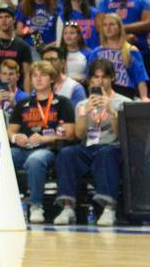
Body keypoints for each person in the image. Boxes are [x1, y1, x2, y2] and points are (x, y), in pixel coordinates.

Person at [53, 58, 128, 226]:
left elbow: (122, 136)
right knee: (67, 153)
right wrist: (84, 114)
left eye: (104, 77)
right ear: (90, 80)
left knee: (105, 153)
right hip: (88, 147)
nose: (100, 81)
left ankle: (109, 209)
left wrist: (111, 110)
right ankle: (68, 207)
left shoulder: (123, 102)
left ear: (112, 78)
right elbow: (79, 135)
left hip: (112, 148)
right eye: (96, 77)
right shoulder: (82, 104)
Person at [9, 59, 74, 224]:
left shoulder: (63, 103)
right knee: (1, 156)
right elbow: (10, 130)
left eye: (43, 75)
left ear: (52, 79)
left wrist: (46, 138)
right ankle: (1, 205)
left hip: (48, 149)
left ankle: (36, 206)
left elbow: (71, 134)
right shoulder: (23, 104)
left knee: (36, 160)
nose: (38, 79)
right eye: (35, 76)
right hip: (23, 148)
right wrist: (16, 137)